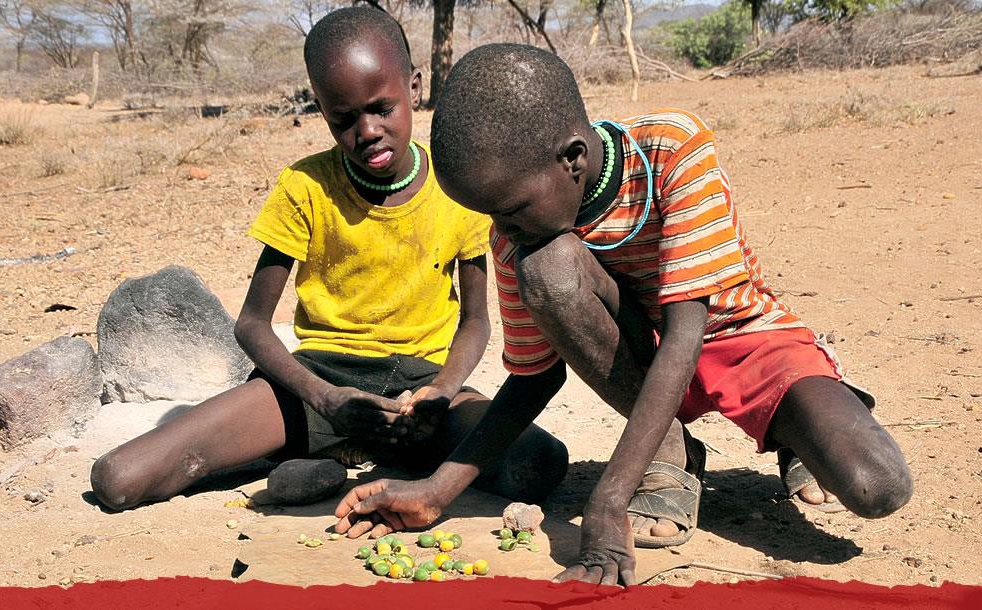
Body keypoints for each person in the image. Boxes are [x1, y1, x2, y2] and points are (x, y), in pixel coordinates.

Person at [332, 43, 912, 586]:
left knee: (875, 486)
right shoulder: (518, 237)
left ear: (573, 160)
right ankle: (671, 451)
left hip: (741, 338)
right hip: (644, 359)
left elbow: (687, 335)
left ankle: (796, 427)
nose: (501, 231)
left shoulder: (672, 149)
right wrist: (436, 492)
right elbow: (534, 377)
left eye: (510, 210)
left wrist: (608, 500)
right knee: (547, 267)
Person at [90, 14, 567, 513]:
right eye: (344, 119)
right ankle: (323, 443)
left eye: (382, 108)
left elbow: (475, 321)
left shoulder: (454, 189)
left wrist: (442, 391)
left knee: (537, 462)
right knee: (118, 479)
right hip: (317, 383)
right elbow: (252, 324)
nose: (368, 131)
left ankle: (347, 450)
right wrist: (323, 399)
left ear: (415, 87)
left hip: (420, 393)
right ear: (322, 111)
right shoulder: (306, 188)